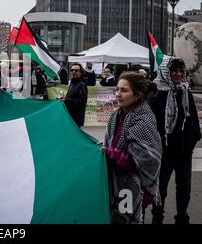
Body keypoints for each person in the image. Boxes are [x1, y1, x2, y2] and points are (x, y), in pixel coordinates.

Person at [102, 71, 162, 224]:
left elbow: (140, 160)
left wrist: (108, 153)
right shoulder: (118, 115)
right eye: (117, 89)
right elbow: (111, 143)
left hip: (134, 186)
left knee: (127, 220)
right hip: (117, 181)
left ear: (137, 95)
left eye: (124, 90)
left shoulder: (143, 118)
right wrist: (104, 148)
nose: (118, 94)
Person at [149, 57, 201, 224]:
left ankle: (182, 218)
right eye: (174, 71)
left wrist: (194, 138)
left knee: (185, 188)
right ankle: (157, 218)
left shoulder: (185, 92)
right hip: (164, 151)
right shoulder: (157, 94)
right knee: (161, 188)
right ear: (167, 73)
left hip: (184, 150)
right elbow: (151, 122)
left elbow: (192, 119)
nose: (178, 74)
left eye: (181, 71)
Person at [63, 63, 88, 127]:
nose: (74, 72)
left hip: (76, 118)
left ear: (81, 72)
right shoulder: (72, 83)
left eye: (76, 70)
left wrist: (66, 100)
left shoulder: (82, 85)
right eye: (72, 70)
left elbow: (82, 102)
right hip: (69, 116)